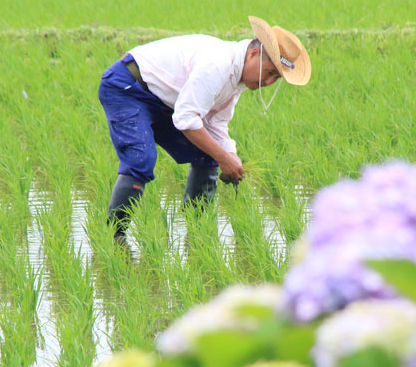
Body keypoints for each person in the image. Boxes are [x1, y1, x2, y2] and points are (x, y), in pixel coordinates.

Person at [98, 16, 311, 239]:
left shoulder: (237, 77)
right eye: (269, 72)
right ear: (254, 54)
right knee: (141, 160)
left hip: (164, 100)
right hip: (128, 87)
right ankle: (113, 237)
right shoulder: (218, 65)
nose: (268, 83)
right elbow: (186, 119)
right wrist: (223, 158)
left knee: (207, 152)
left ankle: (198, 234)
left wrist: (229, 154)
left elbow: (215, 122)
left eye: (276, 78)